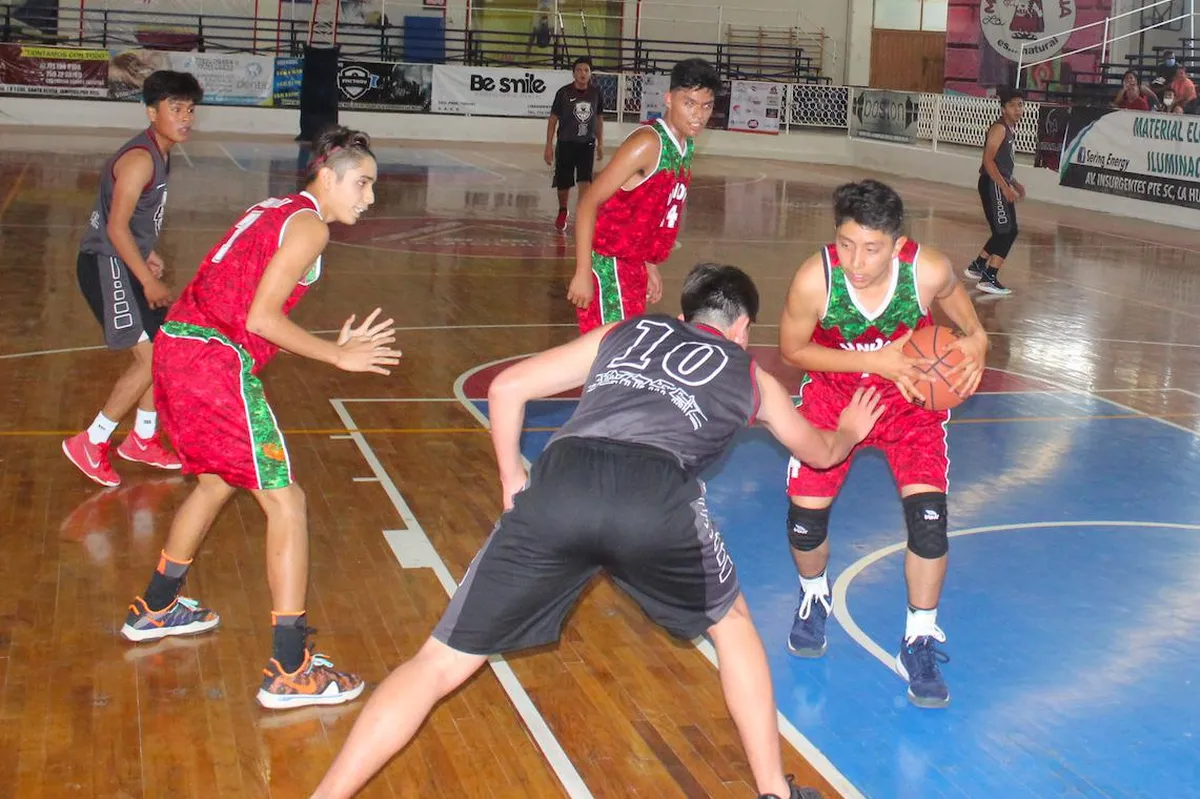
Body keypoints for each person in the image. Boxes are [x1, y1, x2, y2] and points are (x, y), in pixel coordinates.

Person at [311, 263, 885, 799]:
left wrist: (513, 477)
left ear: (686, 317)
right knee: (732, 628)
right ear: (741, 328)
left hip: (563, 482)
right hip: (654, 499)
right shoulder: (751, 378)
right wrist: (852, 431)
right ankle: (773, 793)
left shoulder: (625, 331)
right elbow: (820, 453)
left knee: (438, 663)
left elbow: (507, 387)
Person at [118, 126, 402, 711]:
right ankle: (290, 667)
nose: (369, 198)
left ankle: (158, 605)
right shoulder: (311, 225)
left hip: (180, 346)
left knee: (218, 481)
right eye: (363, 183)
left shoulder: (276, 208)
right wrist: (336, 354)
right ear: (328, 175)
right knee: (286, 500)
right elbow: (263, 318)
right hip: (213, 360)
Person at [779, 180, 990, 710]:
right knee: (805, 522)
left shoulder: (928, 269)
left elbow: (953, 299)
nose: (856, 260)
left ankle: (918, 636)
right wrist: (873, 361)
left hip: (910, 401)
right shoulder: (816, 279)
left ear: (897, 245)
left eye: (871, 248)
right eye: (846, 244)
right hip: (834, 399)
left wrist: (978, 336)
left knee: (930, 524)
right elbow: (792, 350)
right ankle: (813, 597)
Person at [63, 70, 203, 487]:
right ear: (151, 111)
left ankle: (142, 440)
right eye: (175, 108)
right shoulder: (141, 159)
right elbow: (116, 228)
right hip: (106, 265)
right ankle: (91, 441)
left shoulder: (161, 151)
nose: (185, 117)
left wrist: (149, 252)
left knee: (161, 352)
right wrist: (147, 279)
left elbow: (128, 222)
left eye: (190, 109)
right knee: (153, 359)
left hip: (124, 261)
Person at [567, 57, 719, 334]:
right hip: (608, 265)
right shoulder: (648, 143)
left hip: (632, 265)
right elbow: (590, 201)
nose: (698, 114)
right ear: (669, 99)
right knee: (609, 358)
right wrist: (582, 272)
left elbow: (652, 211)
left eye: (706, 106)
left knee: (616, 359)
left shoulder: (685, 146)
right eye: (689, 103)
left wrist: (648, 263)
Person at [965, 86, 1024, 296]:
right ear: (1003, 109)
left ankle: (978, 264)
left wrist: (1014, 182)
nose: (1017, 109)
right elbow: (988, 162)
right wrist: (1004, 186)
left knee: (1007, 230)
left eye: (1020, 105)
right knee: (1006, 231)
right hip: (993, 184)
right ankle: (989, 277)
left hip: (998, 183)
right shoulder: (999, 129)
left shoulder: (1009, 130)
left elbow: (1001, 163)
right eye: (1012, 105)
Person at [545, 56, 604, 231]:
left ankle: (583, 214)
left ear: (590, 73)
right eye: (579, 70)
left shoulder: (596, 94)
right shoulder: (563, 93)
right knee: (564, 184)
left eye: (586, 70)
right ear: (573, 73)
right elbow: (553, 119)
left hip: (587, 144)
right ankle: (563, 209)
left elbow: (599, 119)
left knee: (585, 181)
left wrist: (600, 143)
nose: (582, 73)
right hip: (565, 143)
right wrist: (549, 145)